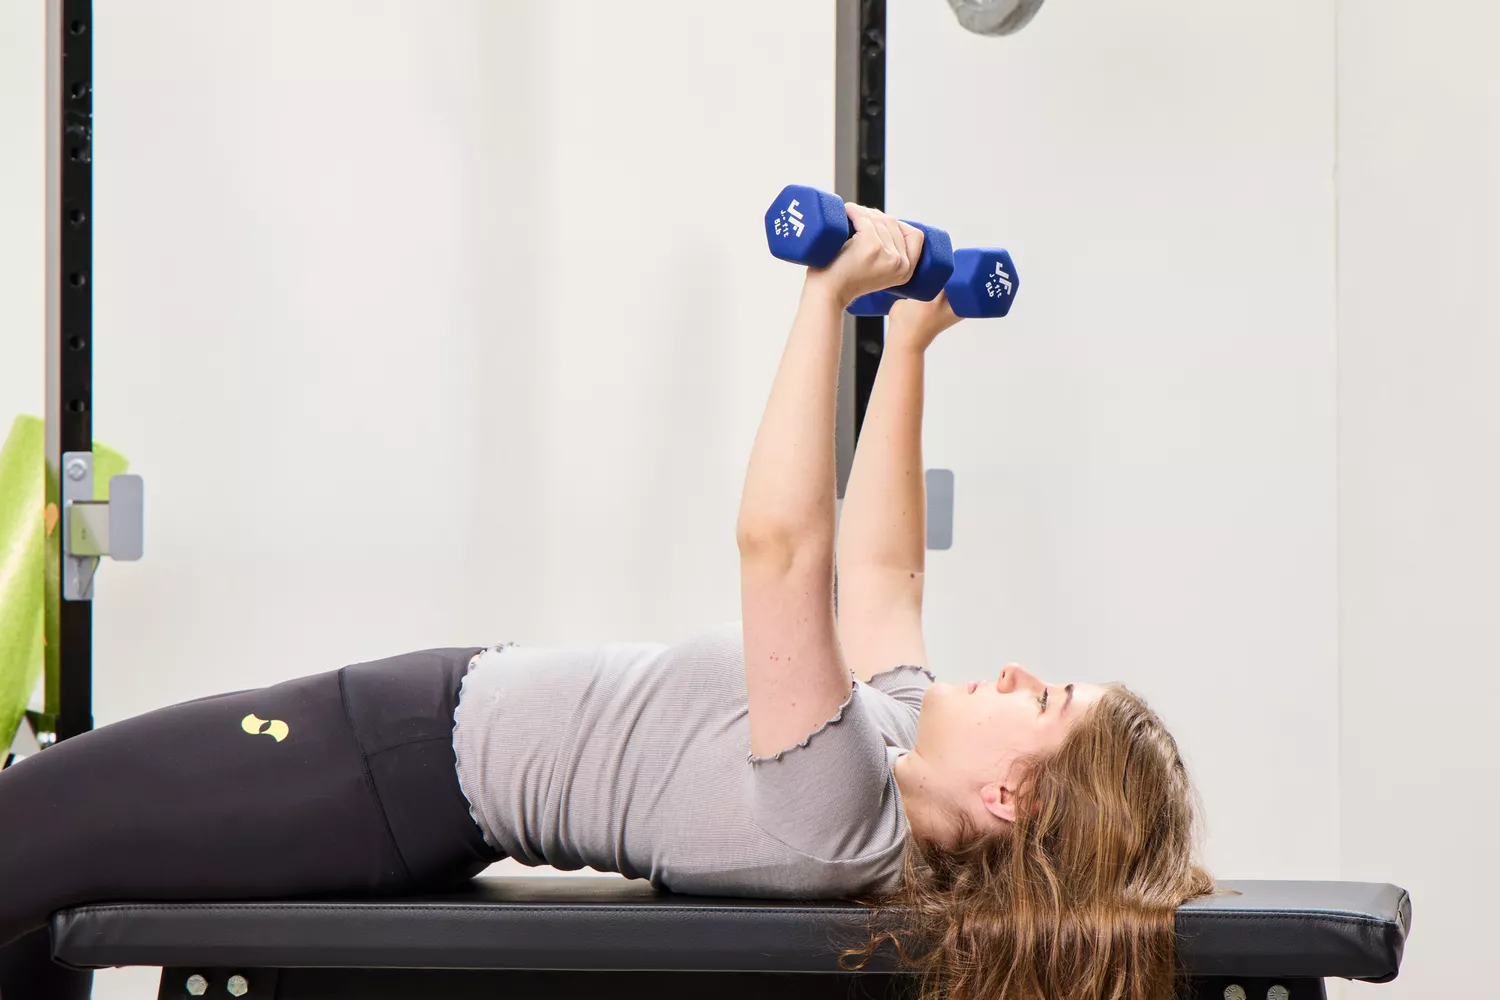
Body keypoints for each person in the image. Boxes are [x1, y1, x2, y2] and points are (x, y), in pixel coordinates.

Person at [0, 204, 1212, 1000]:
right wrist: (905, 345)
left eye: (1042, 698)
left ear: (1008, 797)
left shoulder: (832, 807)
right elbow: (883, 573)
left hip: (365, 771)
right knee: (36, 894)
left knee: (17, 843)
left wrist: (819, 296)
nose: (1011, 672)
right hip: (400, 756)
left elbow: (781, 548)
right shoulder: (887, 748)